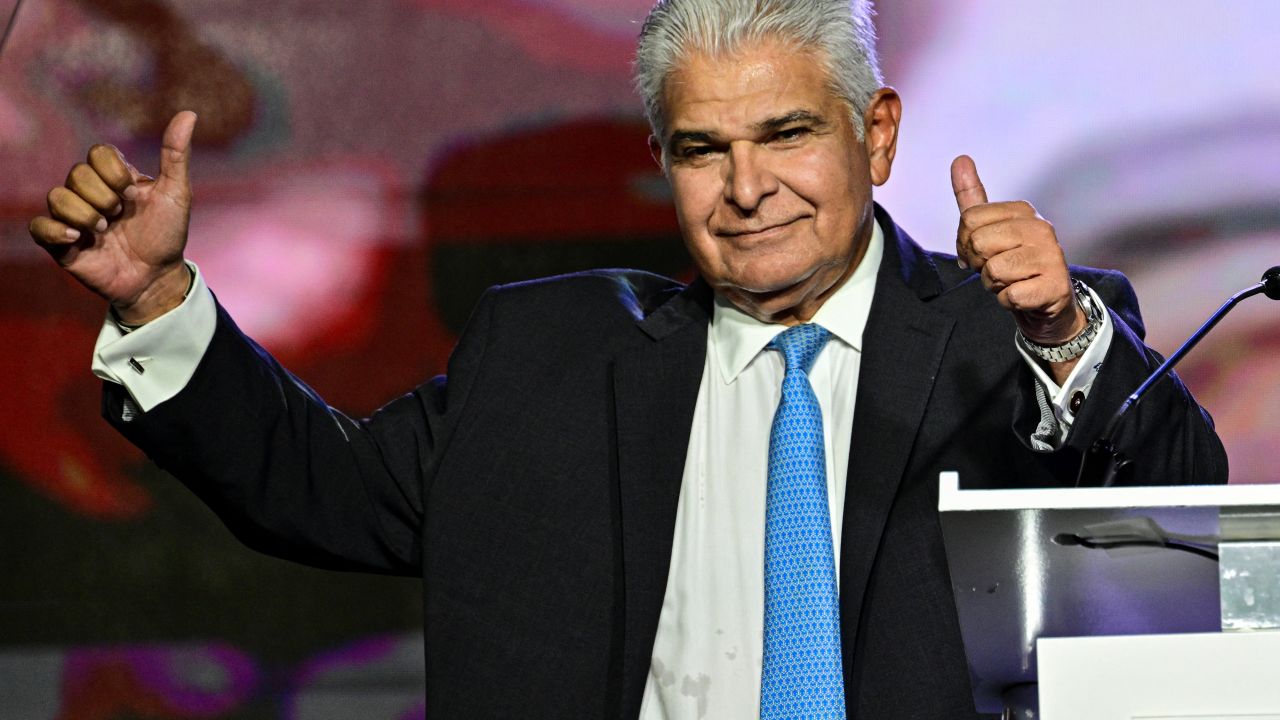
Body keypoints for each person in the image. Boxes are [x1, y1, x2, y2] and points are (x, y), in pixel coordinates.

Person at [30, 1, 1226, 717]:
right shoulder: (550, 355)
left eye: (785, 134)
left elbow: (1191, 558)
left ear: (876, 133)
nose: (745, 188)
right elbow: (323, 491)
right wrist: (157, 296)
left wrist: (1065, 335)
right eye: (702, 148)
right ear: (661, 159)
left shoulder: (1016, 337)